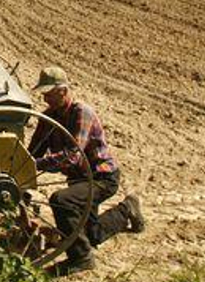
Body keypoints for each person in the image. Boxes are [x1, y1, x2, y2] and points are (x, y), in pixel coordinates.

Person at [28, 66, 145, 275]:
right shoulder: (48, 117)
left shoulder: (82, 113)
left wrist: (37, 164)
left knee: (61, 200)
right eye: (44, 94)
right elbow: (33, 152)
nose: (45, 99)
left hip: (101, 177)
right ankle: (128, 208)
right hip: (80, 181)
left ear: (63, 91)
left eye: (49, 94)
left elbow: (74, 156)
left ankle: (81, 259)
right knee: (90, 235)